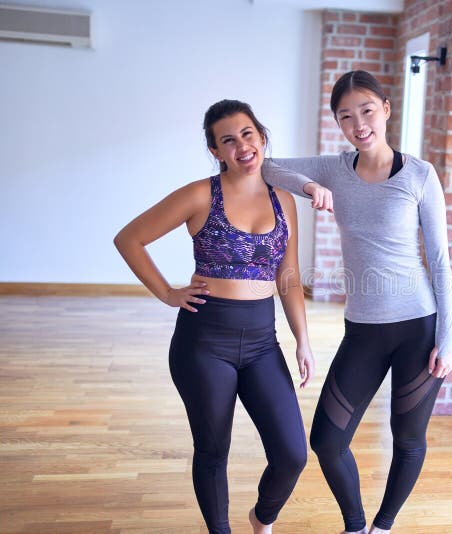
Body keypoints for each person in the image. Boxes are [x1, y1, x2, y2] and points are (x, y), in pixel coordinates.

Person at [260, 70, 452, 534]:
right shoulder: (334, 169)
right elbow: (268, 167)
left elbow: (441, 261)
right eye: (345, 116)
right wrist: (309, 187)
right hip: (363, 330)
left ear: (386, 109)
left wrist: (448, 339)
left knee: (408, 438)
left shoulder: (420, 175)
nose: (358, 123)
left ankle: (382, 528)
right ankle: (355, 525)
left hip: (418, 326)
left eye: (366, 110)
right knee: (327, 441)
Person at [114, 100, 322, 534]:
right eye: (228, 140)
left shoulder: (285, 200)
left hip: (263, 342)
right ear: (216, 151)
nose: (242, 145)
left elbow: (288, 275)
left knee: (292, 453)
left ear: (262, 137)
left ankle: (262, 517)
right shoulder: (198, 195)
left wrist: (302, 339)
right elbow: (130, 238)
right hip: (204, 342)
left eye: (248, 134)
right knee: (213, 449)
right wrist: (168, 293)